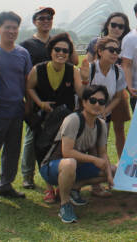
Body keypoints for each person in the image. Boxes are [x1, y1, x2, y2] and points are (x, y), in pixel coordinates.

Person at [38, 84, 116, 224]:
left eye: (101, 102)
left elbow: (103, 153)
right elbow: (66, 152)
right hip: (52, 167)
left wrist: (109, 176)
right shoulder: (73, 120)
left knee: (113, 169)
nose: (97, 104)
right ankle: (65, 204)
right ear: (84, 102)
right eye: (92, 100)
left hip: (76, 168)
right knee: (70, 163)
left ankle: (74, 187)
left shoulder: (101, 125)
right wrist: (93, 159)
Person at [20, 6, 78, 189]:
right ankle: (27, 175)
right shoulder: (27, 44)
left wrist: (69, 41)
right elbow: (26, 76)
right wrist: (32, 101)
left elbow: (74, 62)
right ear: (34, 21)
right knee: (33, 137)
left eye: (49, 18)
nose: (46, 21)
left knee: (56, 138)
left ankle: (55, 175)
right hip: (38, 97)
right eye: (41, 18)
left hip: (59, 97)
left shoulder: (58, 41)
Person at [25, 32, 83, 203]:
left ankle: (62, 186)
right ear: (50, 51)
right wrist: (40, 103)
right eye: (57, 49)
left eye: (65, 51)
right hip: (43, 118)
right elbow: (29, 87)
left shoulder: (73, 71)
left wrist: (85, 79)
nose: (61, 54)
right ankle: (49, 189)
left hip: (65, 119)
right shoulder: (39, 69)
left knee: (62, 151)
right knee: (42, 150)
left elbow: (81, 93)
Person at [0, 11, 32, 206]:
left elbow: (27, 81)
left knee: (13, 151)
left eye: (15, 28)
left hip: (16, 112)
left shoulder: (23, 53)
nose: (11, 31)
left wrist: (28, 104)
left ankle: (6, 184)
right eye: (7, 27)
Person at [80, 36, 126, 198]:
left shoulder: (118, 72)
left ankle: (97, 185)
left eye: (117, 51)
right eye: (111, 50)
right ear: (99, 51)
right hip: (86, 117)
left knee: (101, 147)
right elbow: (81, 94)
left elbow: (118, 97)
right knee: (85, 148)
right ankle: (77, 184)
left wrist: (106, 110)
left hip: (103, 116)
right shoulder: (91, 69)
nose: (115, 54)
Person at [83, 12, 132, 159]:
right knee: (99, 130)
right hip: (95, 92)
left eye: (121, 26)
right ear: (107, 25)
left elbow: (128, 65)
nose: (117, 28)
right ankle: (99, 166)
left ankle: (121, 162)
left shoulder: (125, 43)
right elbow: (88, 68)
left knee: (119, 129)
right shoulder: (95, 43)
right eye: (114, 25)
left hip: (116, 89)